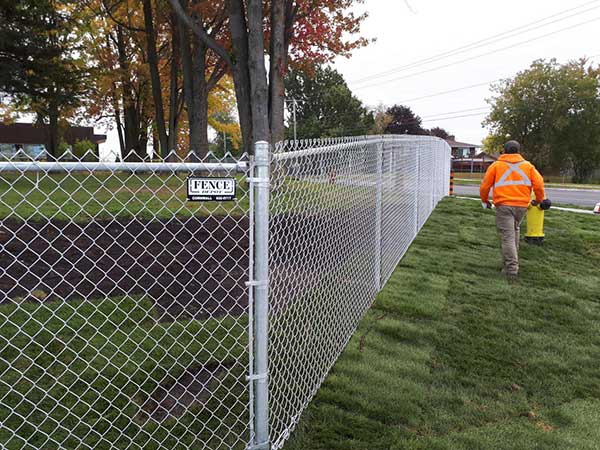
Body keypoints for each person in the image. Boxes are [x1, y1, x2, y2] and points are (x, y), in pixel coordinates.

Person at [480, 140, 546, 279]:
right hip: (522, 206)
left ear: (504, 150)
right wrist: (539, 200)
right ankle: (510, 263)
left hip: (504, 205)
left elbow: (485, 186)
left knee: (507, 237)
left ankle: (511, 269)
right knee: (514, 231)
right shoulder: (528, 166)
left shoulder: (496, 166)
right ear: (518, 151)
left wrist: (485, 200)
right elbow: (539, 184)